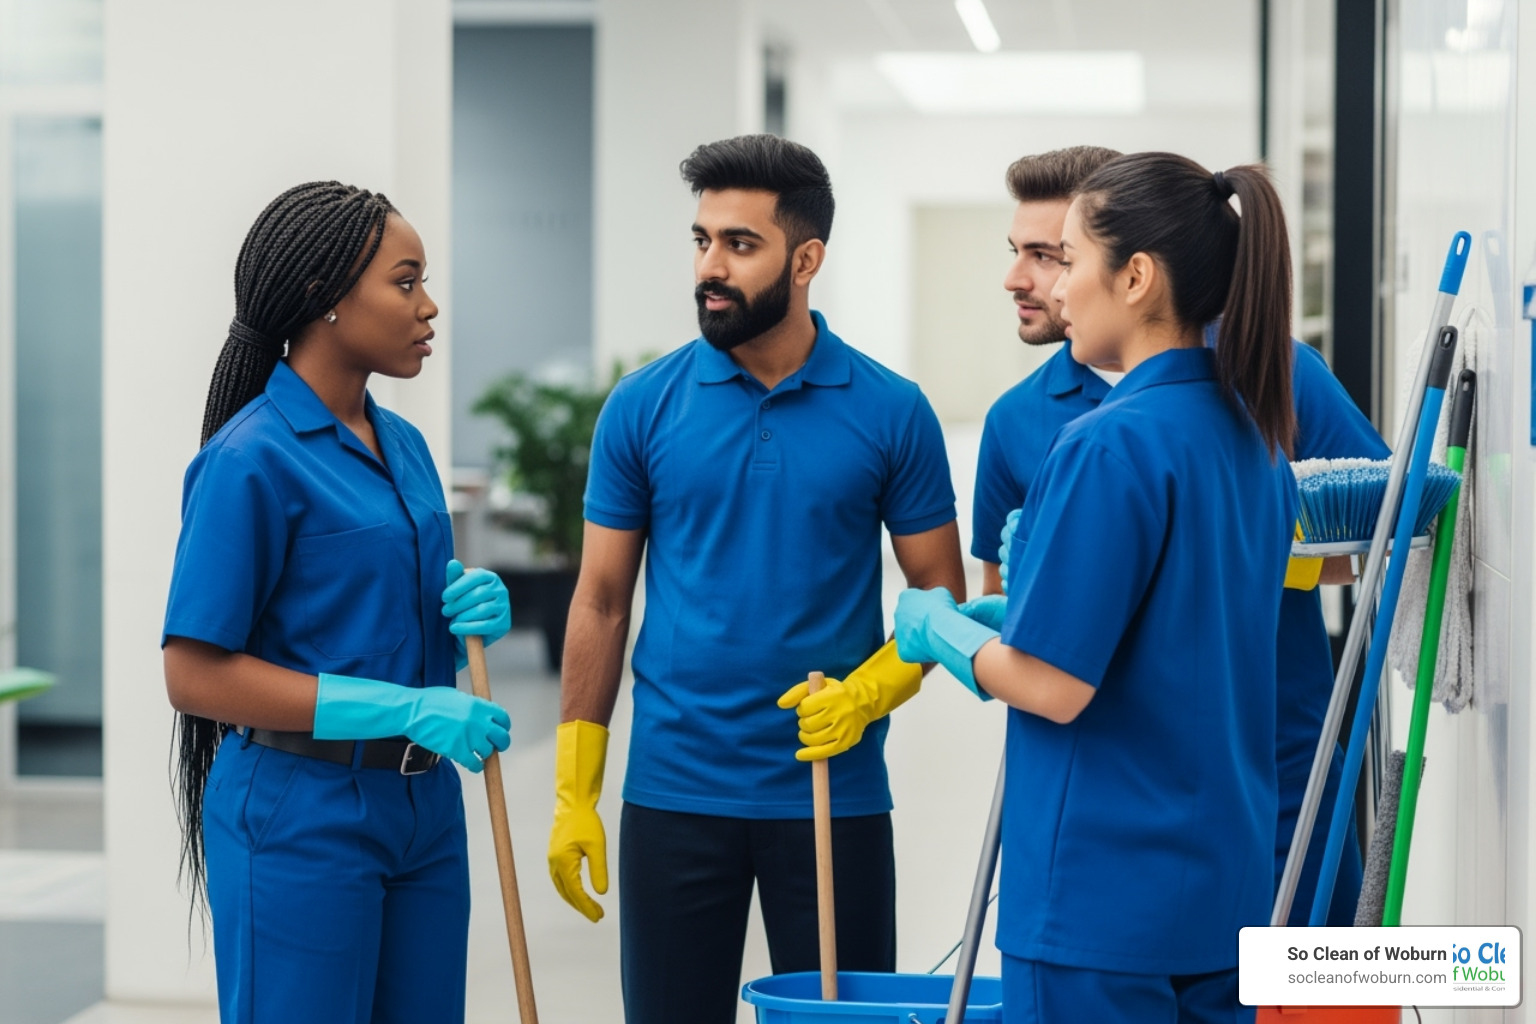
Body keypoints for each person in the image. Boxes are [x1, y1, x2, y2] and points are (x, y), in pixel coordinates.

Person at [545, 134, 965, 1023]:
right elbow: (602, 600)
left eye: (740, 244)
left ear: (806, 259)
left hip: (831, 791)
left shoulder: (893, 411)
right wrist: (575, 788)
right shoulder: (642, 405)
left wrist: (868, 694)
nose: (711, 267)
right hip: (673, 792)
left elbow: (940, 597)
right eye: (703, 240)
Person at [896, 153, 1299, 1023]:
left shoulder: (1104, 444)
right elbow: (1178, 632)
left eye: (1069, 260)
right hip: (1224, 891)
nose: (1056, 289)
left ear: (1138, 277)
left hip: (1100, 903)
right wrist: (1021, 613)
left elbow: (1052, 686)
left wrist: (941, 629)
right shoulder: (1257, 444)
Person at [973, 146, 1387, 928]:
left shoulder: (1270, 375)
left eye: (1054, 255)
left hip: (1275, 756)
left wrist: (1268, 558)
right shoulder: (1019, 422)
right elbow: (1016, 617)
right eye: (1022, 254)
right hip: (1119, 790)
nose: (1031, 281)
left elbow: (1383, 521)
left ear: (1135, 271)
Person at [162, 181, 515, 1024]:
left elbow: (372, 606)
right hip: (301, 813)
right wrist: (401, 705)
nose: (428, 306)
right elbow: (193, 675)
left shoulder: (407, 446)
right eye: (405, 281)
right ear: (325, 297)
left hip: (424, 810)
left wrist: (465, 605)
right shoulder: (250, 460)